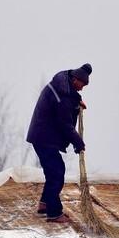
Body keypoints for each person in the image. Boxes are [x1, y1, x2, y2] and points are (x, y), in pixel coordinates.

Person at [26, 63, 91, 222]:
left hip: (43, 135)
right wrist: (78, 142)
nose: (82, 88)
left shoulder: (62, 84)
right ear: (75, 79)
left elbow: (69, 99)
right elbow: (65, 124)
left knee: (53, 171)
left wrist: (77, 103)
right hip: (44, 137)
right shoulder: (61, 96)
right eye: (82, 84)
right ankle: (54, 213)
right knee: (56, 173)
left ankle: (45, 204)